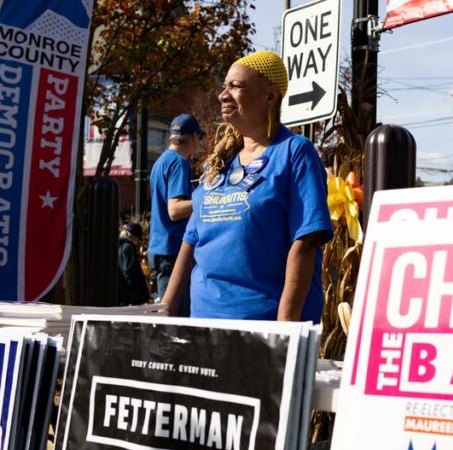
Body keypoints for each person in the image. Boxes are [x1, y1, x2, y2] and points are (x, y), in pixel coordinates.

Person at [162, 50, 333, 322]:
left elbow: (305, 241)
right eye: (224, 86)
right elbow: (190, 243)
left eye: (236, 86)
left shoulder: (294, 152)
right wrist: (165, 311)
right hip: (204, 325)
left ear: (269, 95)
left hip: (262, 327)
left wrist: (284, 330)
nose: (223, 94)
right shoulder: (218, 164)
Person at [148, 113, 204, 312]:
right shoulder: (178, 162)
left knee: (167, 314)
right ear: (193, 137)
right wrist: (206, 199)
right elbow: (174, 209)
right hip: (172, 252)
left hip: (160, 248)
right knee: (173, 322)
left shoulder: (161, 161)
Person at [117, 222, 150, 306]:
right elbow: (129, 271)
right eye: (138, 238)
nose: (138, 241)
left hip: (120, 294)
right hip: (130, 296)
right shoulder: (128, 247)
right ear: (131, 235)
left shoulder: (118, 245)